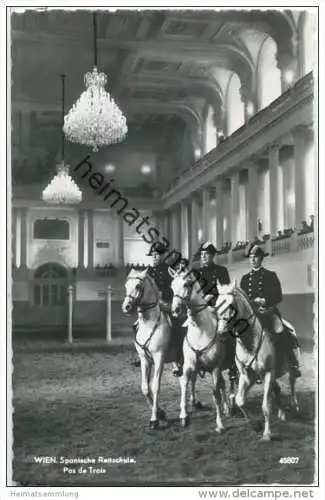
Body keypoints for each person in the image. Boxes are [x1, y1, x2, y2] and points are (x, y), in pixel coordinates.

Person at [240, 242, 301, 378]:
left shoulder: (270, 275)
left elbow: (278, 296)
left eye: (256, 257)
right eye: (250, 257)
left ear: (261, 258)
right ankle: (238, 365)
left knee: (281, 330)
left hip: (268, 312)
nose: (253, 259)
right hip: (251, 315)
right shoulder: (245, 279)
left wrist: (265, 300)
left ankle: (292, 363)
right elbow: (243, 301)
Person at [194, 242, 237, 381]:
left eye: (206, 254)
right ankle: (187, 360)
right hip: (202, 309)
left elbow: (226, 291)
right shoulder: (197, 273)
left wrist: (213, 294)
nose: (204, 256)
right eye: (202, 254)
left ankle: (232, 365)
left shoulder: (221, 270)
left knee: (231, 330)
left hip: (219, 307)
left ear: (212, 256)